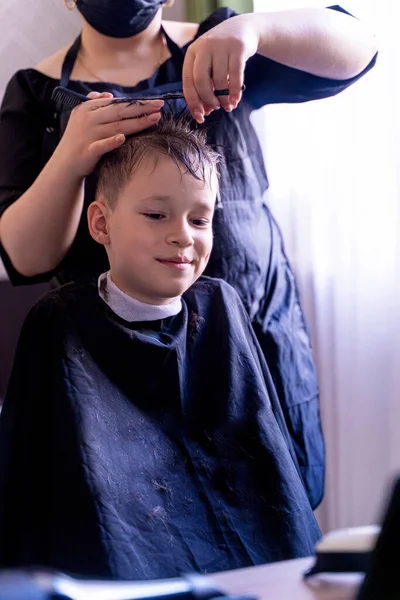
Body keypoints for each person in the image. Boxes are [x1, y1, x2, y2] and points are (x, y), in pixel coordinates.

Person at [0, 0, 378, 510]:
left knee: (273, 515)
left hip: (249, 346)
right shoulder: (34, 91)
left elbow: (359, 49)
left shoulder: (219, 45)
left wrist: (256, 30)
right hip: (116, 376)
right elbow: (25, 258)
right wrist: (70, 157)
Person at [0, 115, 321, 579]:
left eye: (200, 219)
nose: (183, 235)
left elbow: (265, 462)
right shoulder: (61, 322)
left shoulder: (222, 307)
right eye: (156, 215)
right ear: (101, 223)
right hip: (120, 561)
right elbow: (34, 482)